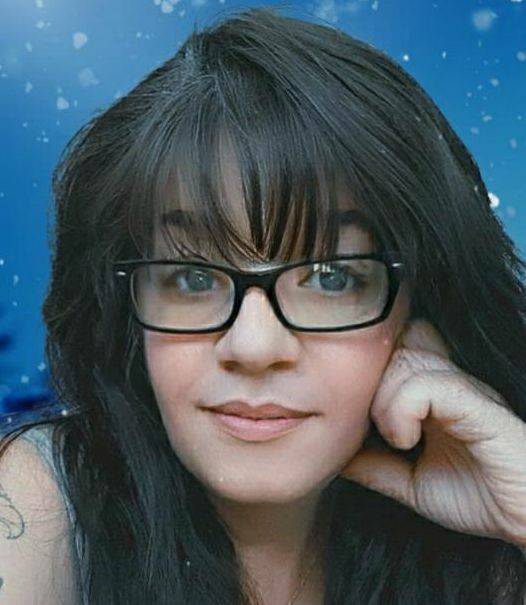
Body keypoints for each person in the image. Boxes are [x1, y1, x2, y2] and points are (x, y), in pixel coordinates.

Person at [1, 6, 525, 604]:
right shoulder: (40, 509)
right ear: (125, 310)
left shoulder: (482, 548)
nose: (253, 347)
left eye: (330, 277)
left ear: (418, 312)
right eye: (193, 277)